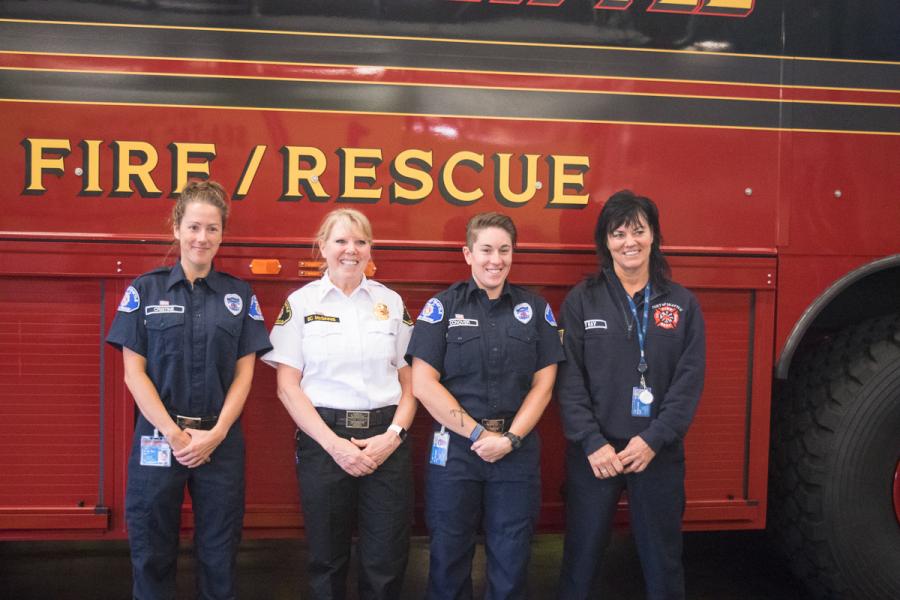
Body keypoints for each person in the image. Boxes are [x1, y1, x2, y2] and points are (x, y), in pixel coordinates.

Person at [106, 180, 272, 600]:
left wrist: (215, 434)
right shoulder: (145, 290)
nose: (202, 237)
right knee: (151, 550)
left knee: (219, 553)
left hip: (221, 442)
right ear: (177, 228)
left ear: (222, 234)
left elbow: (245, 376)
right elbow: (133, 374)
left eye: (212, 229)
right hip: (159, 439)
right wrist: (175, 435)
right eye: (194, 227)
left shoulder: (239, 294)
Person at [556, 190, 706, 600]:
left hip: (657, 453)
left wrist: (654, 439)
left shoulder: (682, 304)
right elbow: (568, 381)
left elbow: (688, 382)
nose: (630, 242)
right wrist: (592, 442)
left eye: (638, 231)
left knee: (663, 561)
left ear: (654, 236)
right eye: (618, 233)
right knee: (581, 559)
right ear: (605, 242)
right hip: (595, 456)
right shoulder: (581, 301)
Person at [407, 211, 565, 600]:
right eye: (486, 250)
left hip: (516, 448)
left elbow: (544, 385)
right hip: (456, 452)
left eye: (505, 250)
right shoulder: (442, 308)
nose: (496, 260)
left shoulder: (535, 309)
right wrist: (479, 434)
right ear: (468, 253)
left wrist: (509, 438)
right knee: (447, 556)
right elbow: (423, 384)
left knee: (512, 558)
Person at [262, 208, 415, 600]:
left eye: (361, 241)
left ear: (370, 249)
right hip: (323, 441)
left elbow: (411, 382)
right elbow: (286, 386)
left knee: (385, 560)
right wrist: (334, 446)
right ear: (322, 247)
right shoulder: (301, 303)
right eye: (341, 241)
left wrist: (393, 437)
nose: (352, 250)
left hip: (387, 441)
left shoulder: (391, 303)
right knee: (326, 560)